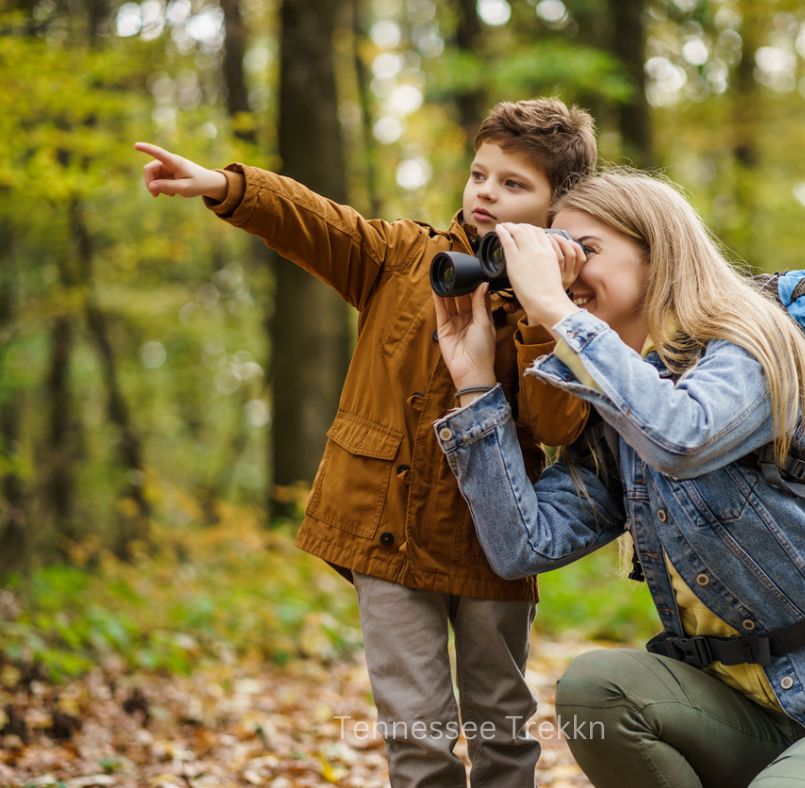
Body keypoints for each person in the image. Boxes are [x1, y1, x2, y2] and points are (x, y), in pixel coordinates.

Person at [135, 98, 597, 787]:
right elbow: (315, 220)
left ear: (558, 204)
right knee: (416, 734)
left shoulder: (564, 304)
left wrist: (542, 309)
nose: (487, 194)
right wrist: (227, 187)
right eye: (480, 175)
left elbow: (558, 426)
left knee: (502, 726)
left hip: (493, 545)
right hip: (387, 533)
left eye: (513, 184)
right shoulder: (403, 257)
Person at [431, 167, 805, 786]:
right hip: (750, 709)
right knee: (597, 689)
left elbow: (683, 437)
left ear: (659, 256)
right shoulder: (621, 414)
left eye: (585, 252)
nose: (565, 274)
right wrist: (475, 383)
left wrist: (556, 312)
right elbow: (523, 545)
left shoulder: (752, 346)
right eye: (555, 254)